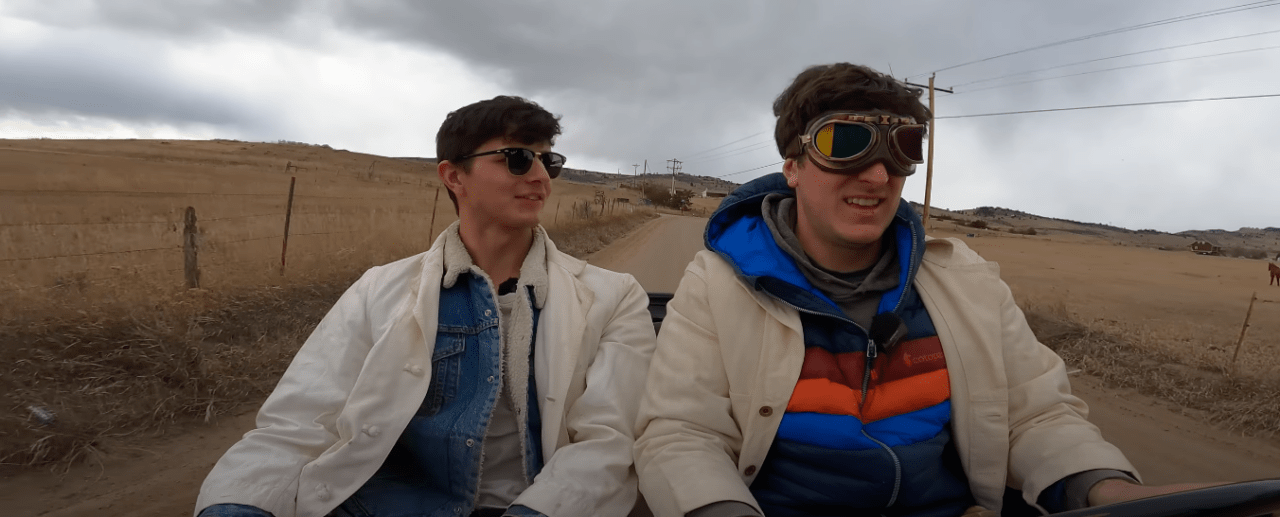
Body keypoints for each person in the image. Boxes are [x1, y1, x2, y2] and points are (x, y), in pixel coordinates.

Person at [633, 64, 1204, 517]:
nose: (878, 175)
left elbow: (1035, 416)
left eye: (903, 147)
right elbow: (683, 434)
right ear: (793, 166)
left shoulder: (966, 282)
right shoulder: (718, 284)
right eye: (845, 142)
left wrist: (1107, 491)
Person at [196, 96, 657, 517]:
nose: (539, 177)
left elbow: (608, 443)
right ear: (454, 177)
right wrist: (236, 505)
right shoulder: (378, 290)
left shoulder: (614, 296)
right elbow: (299, 423)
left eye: (548, 161)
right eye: (517, 158)